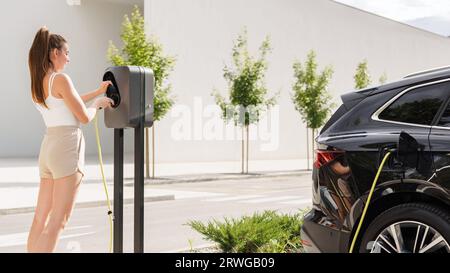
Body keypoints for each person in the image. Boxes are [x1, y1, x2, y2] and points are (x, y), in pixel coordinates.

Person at [27, 26, 114, 253]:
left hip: (48, 149)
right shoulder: (61, 79)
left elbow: (67, 101)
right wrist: (98, 105)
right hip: (66, 148)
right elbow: (84, 117)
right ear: (54, 53)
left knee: (40, 219)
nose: (69, 58)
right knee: (58, 221)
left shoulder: (38, 82)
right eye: (66, 52)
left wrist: (97, 91)